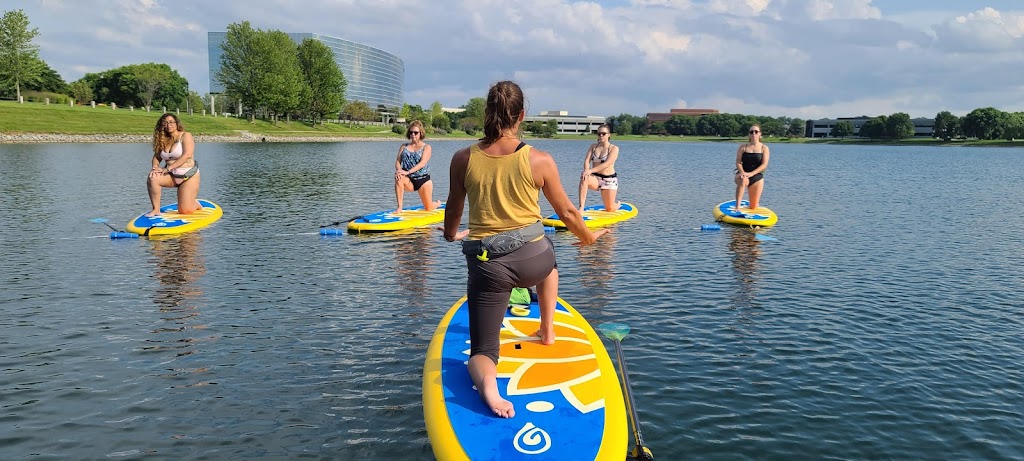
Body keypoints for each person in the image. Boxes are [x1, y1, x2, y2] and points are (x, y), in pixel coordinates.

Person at [443, 81, 609, 419]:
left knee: (484, 351)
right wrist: (588, 238)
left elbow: (454, 209)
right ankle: (547, 330)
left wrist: (450, 235)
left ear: (487, 113)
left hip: (490, 268)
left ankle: (490, 387)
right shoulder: (540, 159)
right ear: (521, 115)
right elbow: (568, 213)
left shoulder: (463, 159)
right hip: (535, 260)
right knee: (551, 266)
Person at [147, 114, 201, 217]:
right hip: (172, 176)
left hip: (189, 176)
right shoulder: (163, 140)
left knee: (185, 211)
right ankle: (156, 209)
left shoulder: (185, 136)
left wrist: (169, 168)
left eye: (171, 122)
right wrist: (155, 168)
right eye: (165, 123)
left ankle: (195, 204)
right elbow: (156, 158)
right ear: (162, 125)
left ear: (176, 123)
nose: (169, 125)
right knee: (153, 177)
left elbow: (187, 155)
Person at [394, 120, 441, 213]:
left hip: (423, 180)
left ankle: (437, 203)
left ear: (421, 133)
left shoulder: (426, 147)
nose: (413, 135)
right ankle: (399, 207)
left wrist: (407, 172)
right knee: (398, 178)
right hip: (409, 180)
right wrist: (399, 171)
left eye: (415, 132)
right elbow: (398, 161)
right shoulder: (404, 147)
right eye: (411, 132)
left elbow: (422, 163)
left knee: (428, 208)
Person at [578, 124, 620, 211]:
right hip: (595, 178)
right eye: (599, 133)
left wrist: (590, 171)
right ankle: (581, 207)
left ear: (609, 135)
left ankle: (618, 204)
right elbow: (586, 161)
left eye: (603, 133)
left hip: (608, 180)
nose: (601, 135)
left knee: (610, 208)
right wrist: (586, 171)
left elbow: (607, 164)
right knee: (584, 177)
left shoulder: (614, 148)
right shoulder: (593, 146)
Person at [734, 124, 770, 211]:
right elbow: (738, 162)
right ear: (749, 134)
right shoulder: (743, 147)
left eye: (756, 132)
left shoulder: (764, 148)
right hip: (743, 173)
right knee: (743, 180)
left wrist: (751, 174)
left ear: (760, 134)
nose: (754, 134)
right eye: (751, 132)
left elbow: (764, 165)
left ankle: (755, 203)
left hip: (756, 176)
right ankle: (737, 206)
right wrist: (742, 172)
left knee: (753, 206)